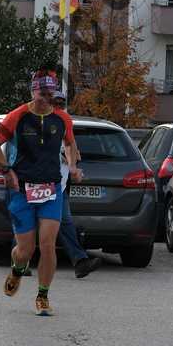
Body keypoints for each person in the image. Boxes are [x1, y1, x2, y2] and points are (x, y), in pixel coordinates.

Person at [0, 69, 79, 317]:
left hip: (51, 190)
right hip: (22, 190)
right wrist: (6, 170)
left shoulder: (62, 119)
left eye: (49, 95)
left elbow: (70, 143)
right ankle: (17, 269)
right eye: (41, 94)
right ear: (33, 92)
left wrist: (72, 165)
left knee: (48, 244)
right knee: (25, 250)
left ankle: (42, 296)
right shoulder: (17, 116)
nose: (45, 99)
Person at [51, 87, 103, 279]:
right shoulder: (42, 123)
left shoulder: (65, 123)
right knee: (31, 221)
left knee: (65, 222)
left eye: (61, 104)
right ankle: (19, 260)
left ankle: (80, 261)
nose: (58, 107)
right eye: (55, 103)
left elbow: (72, 149)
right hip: (41, 183)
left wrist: (73, 166)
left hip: (60, 185)